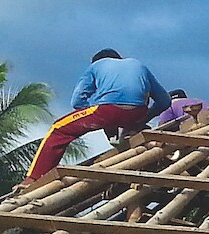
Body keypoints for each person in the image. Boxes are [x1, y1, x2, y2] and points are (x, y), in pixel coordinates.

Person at [27, 49, 174, 181]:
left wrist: (95, 112)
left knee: (58, 129)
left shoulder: (96, 66)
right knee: (114, 117)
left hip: (107, 111)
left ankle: (34, 178)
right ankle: (128, 131)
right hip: (137, 112)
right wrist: (142, 119)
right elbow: (165, 101)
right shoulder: (138, 65)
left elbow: (77, 101)